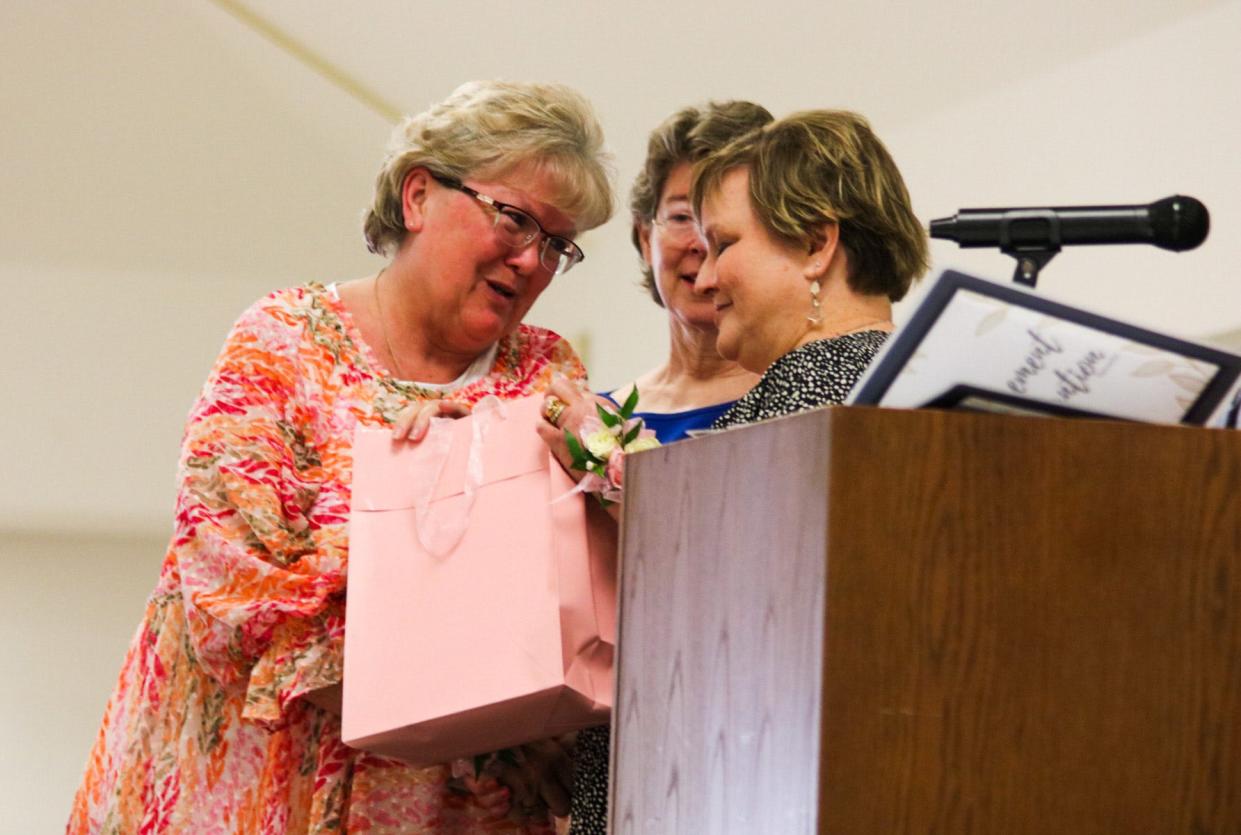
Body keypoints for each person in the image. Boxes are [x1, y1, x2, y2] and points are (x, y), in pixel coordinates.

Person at [68, 80, 613, 835]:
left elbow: (574, 596)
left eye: (557, 243)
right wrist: (424, 500)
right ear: (418, 195)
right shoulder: (282, 343)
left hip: (447, 804)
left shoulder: (547, 375)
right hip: (259, 784)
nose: (530, 260)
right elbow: (231, 588)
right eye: (515, 219)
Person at [539, 109, 926, 833]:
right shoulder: (895, 388)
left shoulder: (816, 406)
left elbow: (717, 586)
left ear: (815, 244)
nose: (707, 274)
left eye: (725, 243)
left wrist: (600, 458)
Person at [691, 109, 929, 429]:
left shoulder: (805, 392)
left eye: (722, 245)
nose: (702, 282)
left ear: (815, 246)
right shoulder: (927, 380)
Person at [601, 100, 773, 440]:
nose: (702, 243)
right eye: (682, 217)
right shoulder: (598, 420)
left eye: (725, 222)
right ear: (646, 238)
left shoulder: (796, 401)